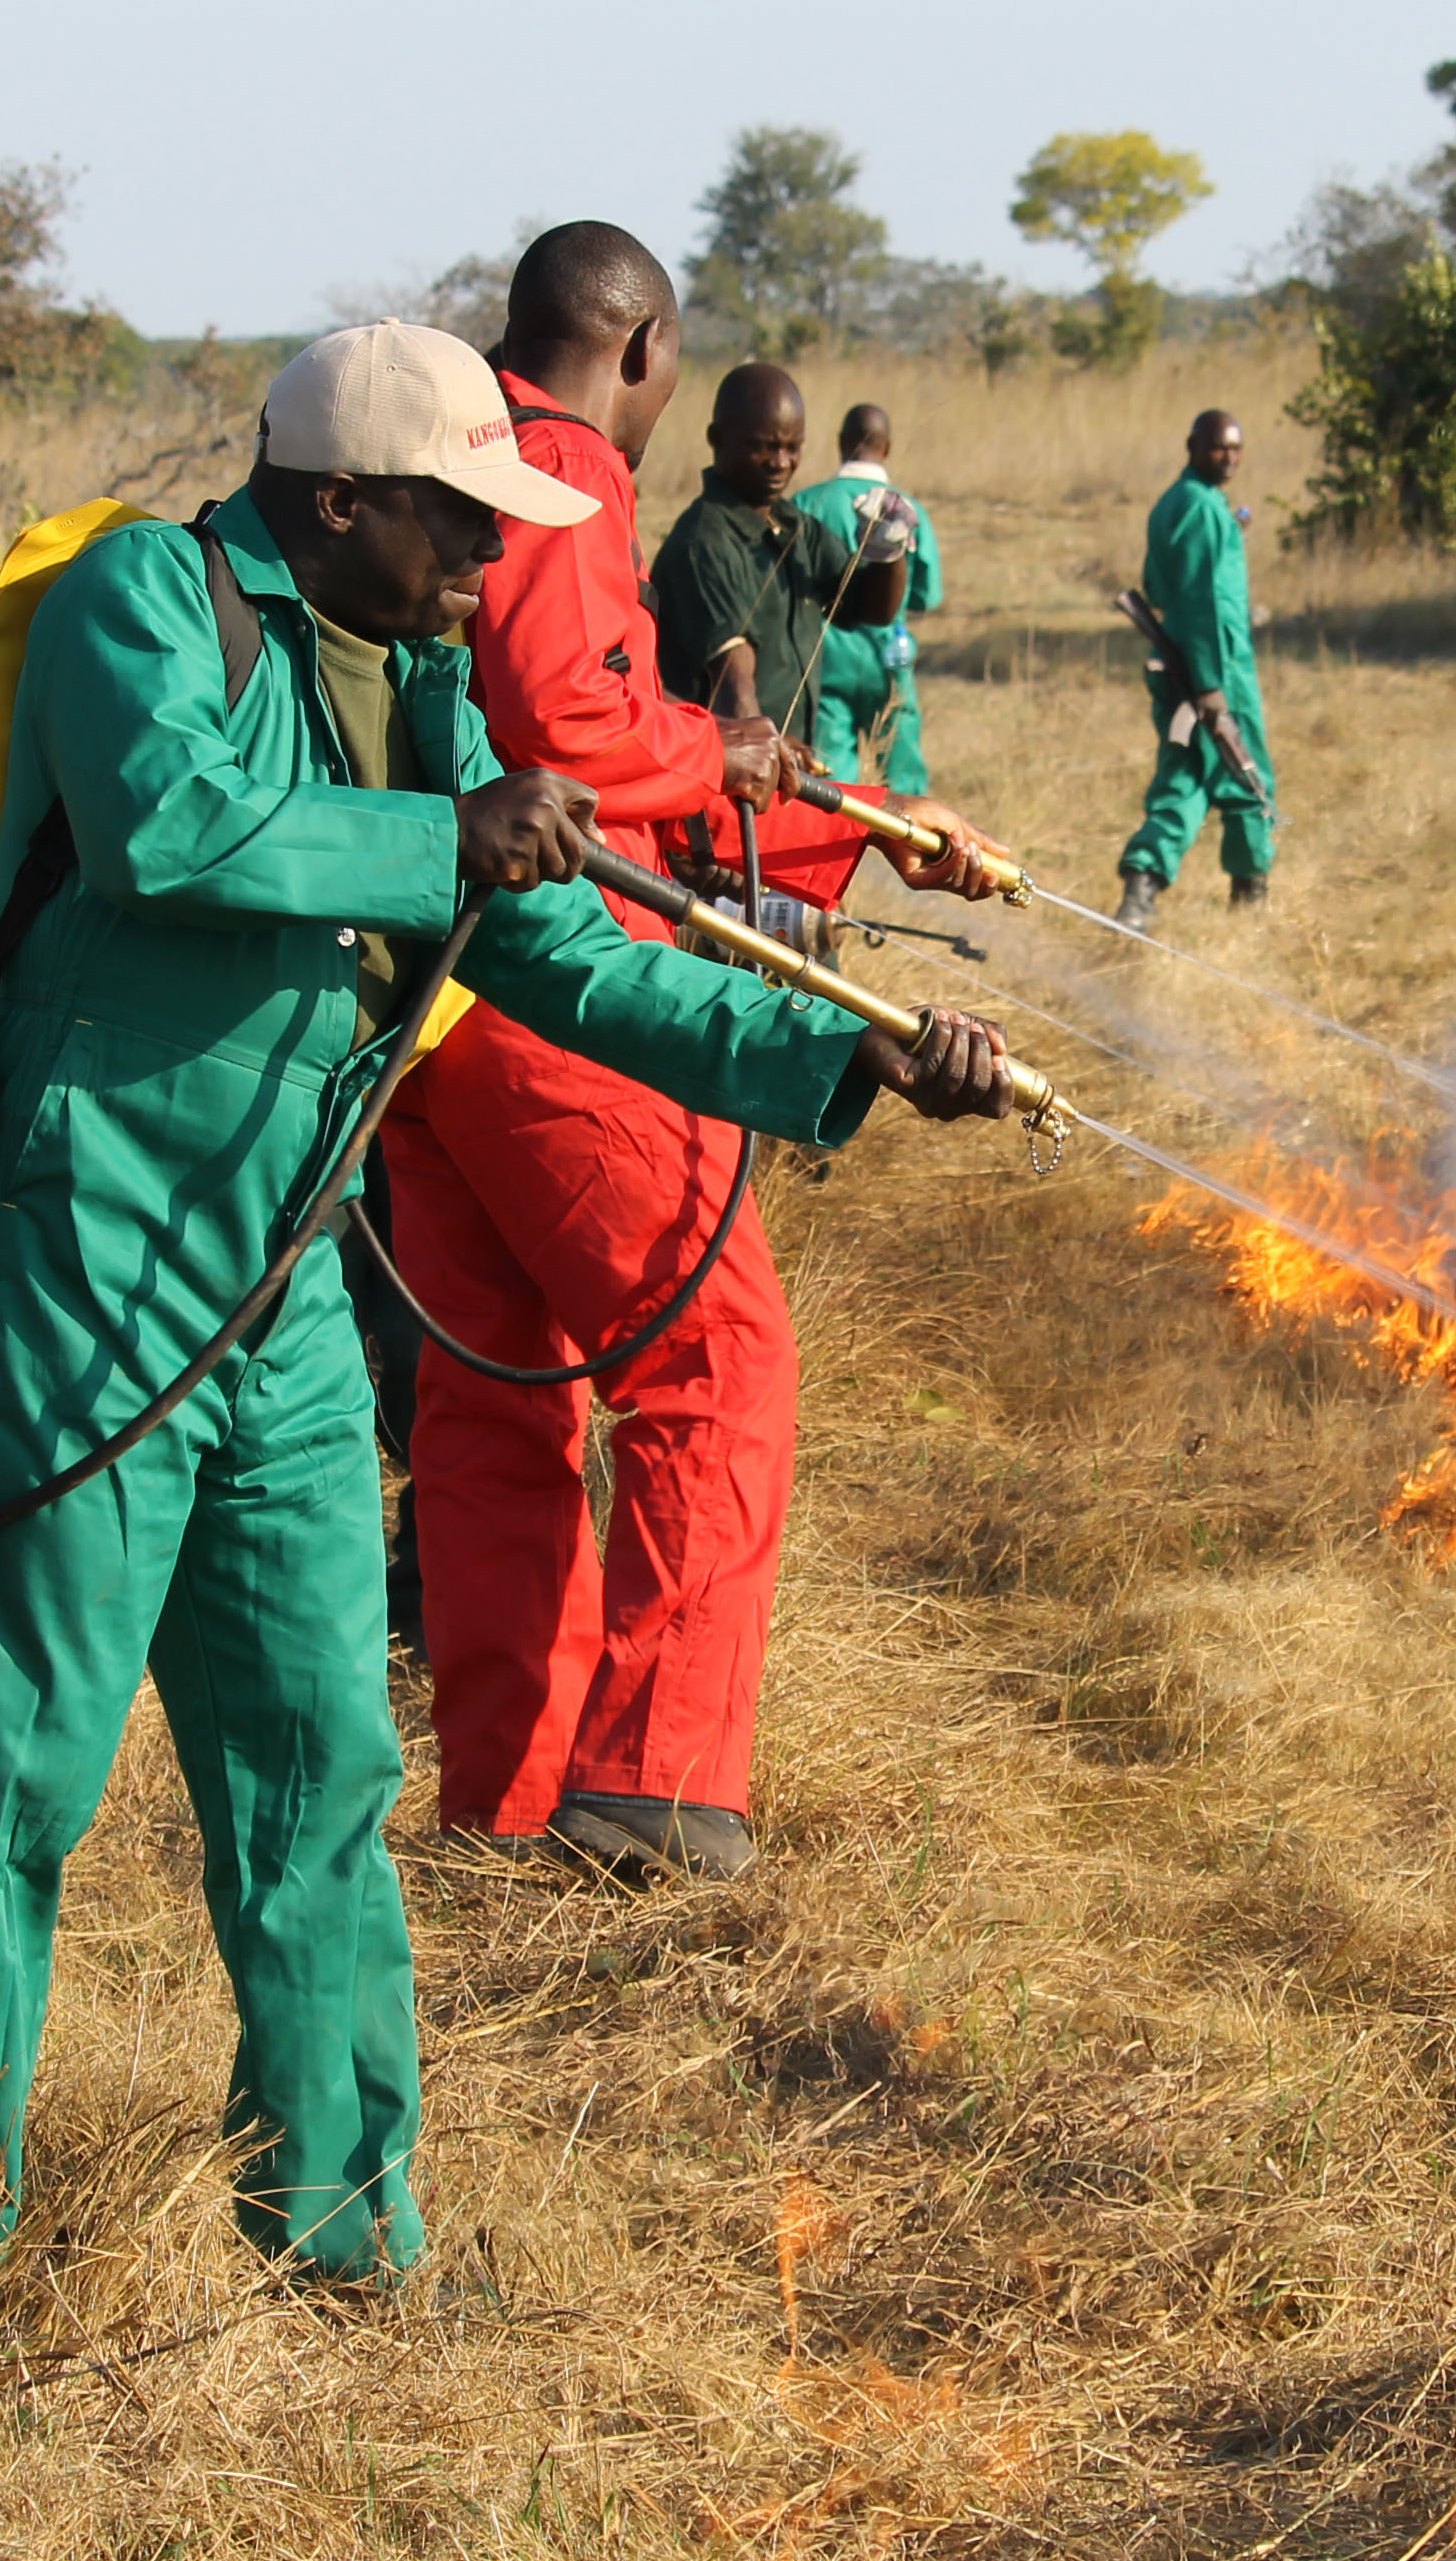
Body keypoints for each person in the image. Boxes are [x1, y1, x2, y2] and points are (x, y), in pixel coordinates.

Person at [0, 320, 1015, 2296]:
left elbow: (564, 953)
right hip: (86, 1275)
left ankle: (347, 2231)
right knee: (11, 1768)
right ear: (344, 498)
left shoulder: (441, 688)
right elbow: (171, 826)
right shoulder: (150, 590)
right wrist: (435, 837)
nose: (497, 559)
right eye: (467, 521)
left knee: (316, 1775)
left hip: (288, 1301)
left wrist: (850, 1049)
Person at [382, 230, 1011, 1879]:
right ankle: (656, 1790)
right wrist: (728, 756)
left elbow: (606, 755)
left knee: (502, 1390)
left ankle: (510, 1794)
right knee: (715, 1360)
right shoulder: (562, 462)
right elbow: (579, 739)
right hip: (541, 995)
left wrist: (835, 818)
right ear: (645, 346)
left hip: (421, 1008)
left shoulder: (436, 452)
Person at [647, 362, 911, 737]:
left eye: (792, 447)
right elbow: (733, 688)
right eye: (764, 447)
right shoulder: (703, 544)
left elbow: (872, 608)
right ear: (717, 439)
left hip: (780, 759)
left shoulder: (794, 527)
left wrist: (887, 550)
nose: (781, 463)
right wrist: (770, 755)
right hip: (729, 769)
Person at [1116, 408, 1273, 933]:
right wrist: (1210, 686)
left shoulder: (1176, 504)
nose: (1228, 457)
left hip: (1181, 664)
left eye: (1236, 447)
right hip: (1214, 675)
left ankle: (1141, 887)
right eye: (1218, 447)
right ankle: (1251, 901)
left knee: (1183, 778)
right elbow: (1204, 601)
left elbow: (1160, 589)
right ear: (1192, 445)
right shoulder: (1203, 509)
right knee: (1246, 778)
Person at [787, 403, 941, 791]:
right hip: (889, 661)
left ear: (841, 443)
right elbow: (926, 594)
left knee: (828, 781)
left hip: (824, 663)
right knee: (904, 777)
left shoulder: (806, 505)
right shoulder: (907, 509)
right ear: (886, 447)